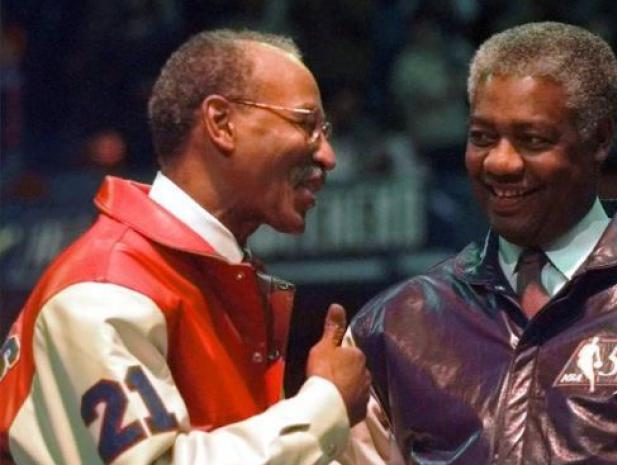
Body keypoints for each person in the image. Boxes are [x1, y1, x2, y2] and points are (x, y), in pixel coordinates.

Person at [349, 22, 617, 465]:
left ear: (600, 138)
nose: (500, 162)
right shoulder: (393, 323)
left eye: (533, 140)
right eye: (482, 137)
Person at [0, 29, 370, 464]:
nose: (327, 155)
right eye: (306, 125)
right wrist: (324, 405)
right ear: (221, 123)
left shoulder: (205, 274)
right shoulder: (103, 291)